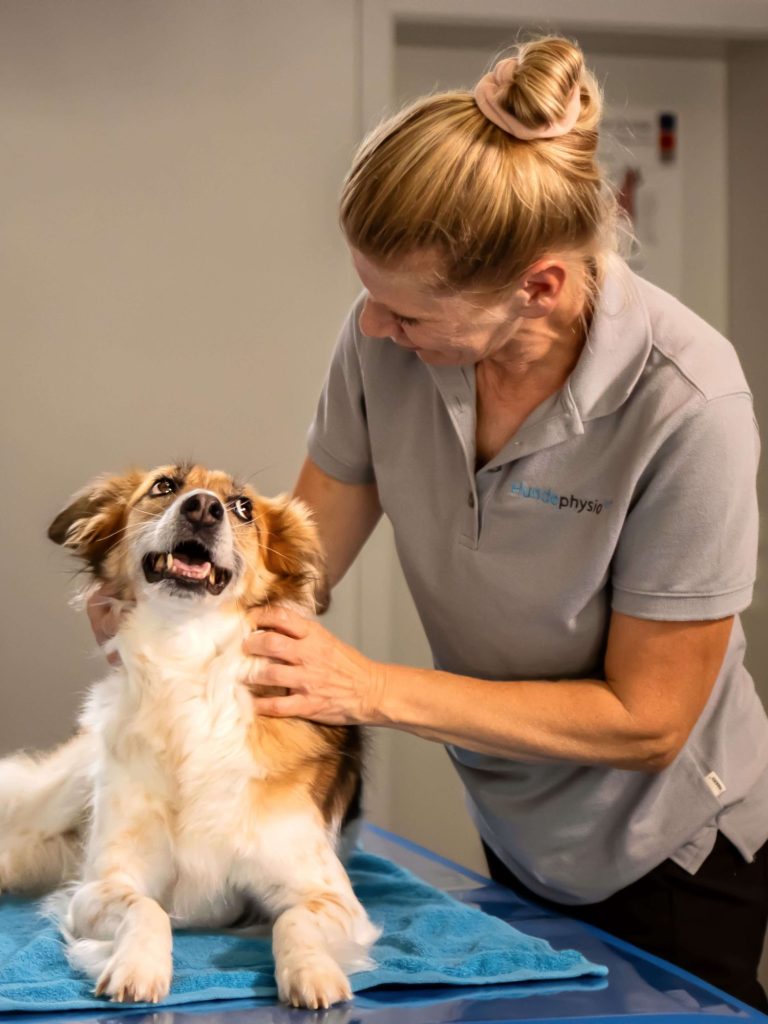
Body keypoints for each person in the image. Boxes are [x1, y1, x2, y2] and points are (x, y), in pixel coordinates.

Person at [91, 37, 768, 1008]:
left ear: (539, 287)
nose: (374, 328)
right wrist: (170, 596)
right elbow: (295, 574)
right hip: (515, 824)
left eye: (407, 313)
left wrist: (368, 687)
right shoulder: (385, 348)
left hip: (672, 849)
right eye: (370, 296)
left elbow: (649, 719)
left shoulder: (690, 405)